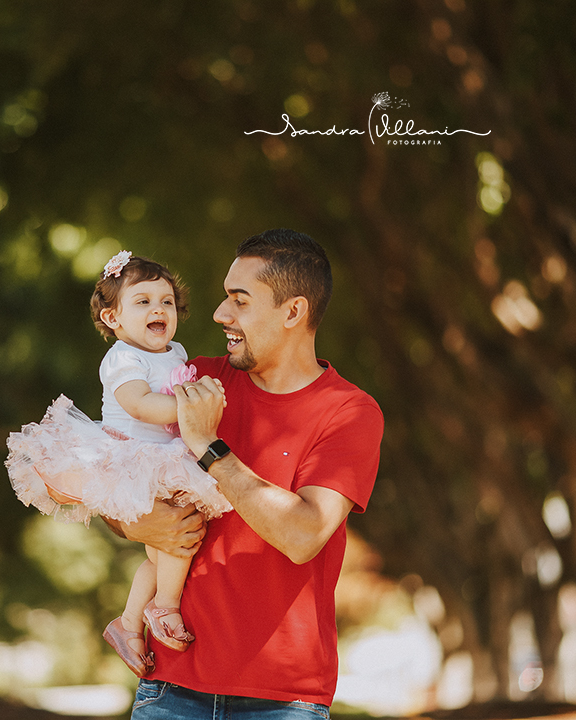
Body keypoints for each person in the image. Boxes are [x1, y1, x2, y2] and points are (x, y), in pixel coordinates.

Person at [108, 229, 383, 719]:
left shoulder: (350, 412)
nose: (219, 314)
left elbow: (303, 534)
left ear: (293, 312)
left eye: (239, 300)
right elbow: (117, 471)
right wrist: (135, 524)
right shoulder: (192, 380)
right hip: (171, 689)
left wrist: (207, 446)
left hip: (283, 701)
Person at [5, 251, 232, 679]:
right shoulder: (124, 357)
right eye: (142, 302)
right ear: (113, 319)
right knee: (176, 543)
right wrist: (193, 406)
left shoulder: (175, 350)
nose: (158, 309)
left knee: (169, 545)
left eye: (166, 301)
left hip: (164, 456)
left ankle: (128, 624)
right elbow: (139, 404)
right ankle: (163, 608)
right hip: (132, 456)